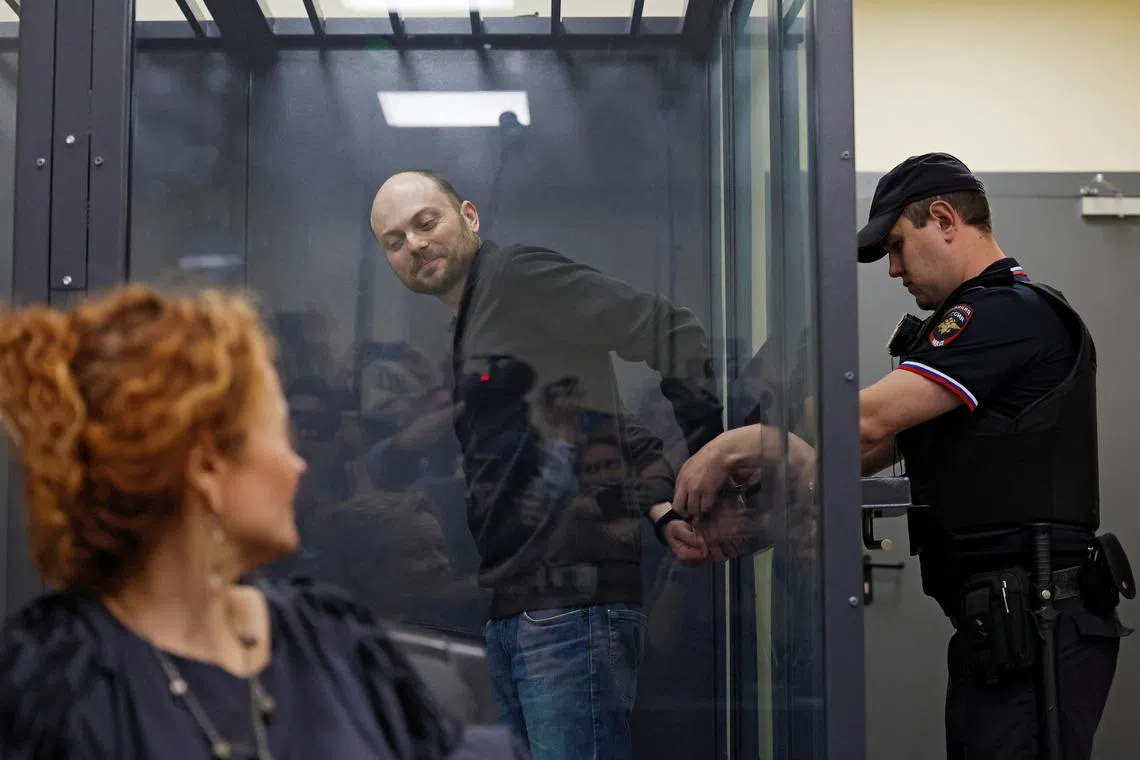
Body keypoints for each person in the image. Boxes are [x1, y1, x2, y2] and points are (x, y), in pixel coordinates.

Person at [672, 152, 1133, 759]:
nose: (893, 270)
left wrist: (743, 444)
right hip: (1008, 621)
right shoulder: (991, 321)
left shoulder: (1003, 314)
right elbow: (857, 454)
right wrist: (749, 520)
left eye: (896, 246)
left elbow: (863, 423)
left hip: (1040, 620)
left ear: (943, 218)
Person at [0, 284, 526, 759]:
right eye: (279, 435)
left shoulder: (324, 635)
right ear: (207, 466)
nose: (297, 464)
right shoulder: (61, 680)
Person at [369, 170, 724, 760]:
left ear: (469, 216)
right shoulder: (474, 319)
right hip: (518, 610)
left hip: (568, 611)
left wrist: (712, 446)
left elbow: (671, 331)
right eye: (394, 240)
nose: (414, 244)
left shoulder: (515, 276)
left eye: (426, 222)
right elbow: (602, 422)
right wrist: (659, 508)